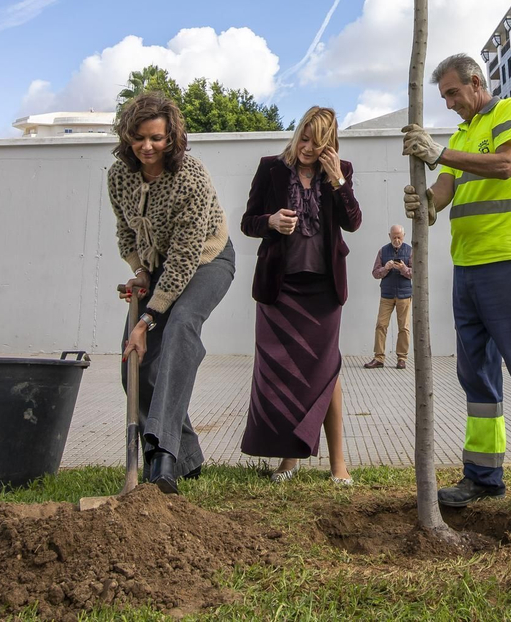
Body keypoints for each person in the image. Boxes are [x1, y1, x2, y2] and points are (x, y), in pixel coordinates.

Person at [401, 54, 511, 516]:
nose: (450, 104)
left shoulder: (508, 112)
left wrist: (438, 152)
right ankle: (482, 477)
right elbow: (445, 188)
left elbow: (504, 165)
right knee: (475, 375)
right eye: (444, 97)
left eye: (453, 93)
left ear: (476, 83)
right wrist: (425, 202)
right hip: (469, 268)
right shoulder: (461, 134)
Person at [111, 92, 236, 494]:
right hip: (160, 267)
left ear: (172, 138)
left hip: (208, 259)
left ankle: (162, 458)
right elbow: (125, 230)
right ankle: (188, 456)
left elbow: (184, 259)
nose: (147, 147)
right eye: (139, 137)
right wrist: (141, 271)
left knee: (181, 325)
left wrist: (147, 320)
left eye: (157, 138)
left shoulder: (191, 178)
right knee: (137, 364)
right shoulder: (119, 176)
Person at [240, 106, 362, 484]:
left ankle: (338, 464)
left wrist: (338, 180)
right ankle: (289, 459)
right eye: (304, 138)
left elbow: (353, 223)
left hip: (323, 290)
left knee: (326, 371)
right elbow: (248, 222)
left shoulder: (339, 172)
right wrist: (271, 222)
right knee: (282, 374)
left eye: (318, 141)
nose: (308, 147)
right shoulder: (271, 167)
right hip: (280, 289)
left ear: (330, 143)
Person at [363, 225, 413, 369]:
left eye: (399, 237)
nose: (397, 240)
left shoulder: (410, 251)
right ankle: (379, 358)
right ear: (389, 235)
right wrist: (386, 268)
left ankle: (402, 358)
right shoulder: (383, 251)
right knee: (381, 325)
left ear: (404, 236)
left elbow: (417, 272)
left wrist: (403, 269)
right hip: (387, 294)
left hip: (404, 295)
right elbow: (375, 273)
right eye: (394, 236)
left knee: (404, 328)